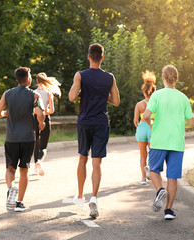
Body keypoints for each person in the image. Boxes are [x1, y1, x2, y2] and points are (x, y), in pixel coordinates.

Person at [68, 43, 120, 218]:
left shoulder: (80, 75)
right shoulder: (110, 78)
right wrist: (104, 95)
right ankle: (95, 198)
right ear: (102, 58)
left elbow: (72, 96)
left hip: (85, 122)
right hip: (101, 122)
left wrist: (82, 90)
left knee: (83, 157)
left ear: (89, 56)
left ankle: (81, 195)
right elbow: (116, 101)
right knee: (96, 162)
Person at [143, 65, 194, 220]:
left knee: (153, 170)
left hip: (159, 140)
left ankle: (159, 190)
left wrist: (152, 124)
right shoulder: (183, 98)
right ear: (176, 79)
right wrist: (180, 123)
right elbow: (192, 123)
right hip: (177, 143)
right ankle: (169, 210)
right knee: (172, 177)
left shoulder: (157, 95)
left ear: (163, 78)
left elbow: (146, 116)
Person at [0, 67, 45, 212]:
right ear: (28, 79)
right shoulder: (34, 95)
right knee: (24, 170)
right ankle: (19, 202)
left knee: (10, 168)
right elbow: (40, 114)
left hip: (11, 138)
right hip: (28, 138)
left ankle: (10, 189)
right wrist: (41, 124)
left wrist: (6, 113)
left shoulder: (7, 94)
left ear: (17, 79)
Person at [33, 72, 61, 176]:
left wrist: (38, 111)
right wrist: (44, 111)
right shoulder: (48, 93)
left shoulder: (33, 92)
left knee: (36, 144)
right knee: (43, 146)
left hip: (34, 119)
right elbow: (52, 110)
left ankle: (36, 166)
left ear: (36, 81)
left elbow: (33, 110)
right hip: (45, 119)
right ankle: (39, 161)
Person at [133, 70, 157, 185]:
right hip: (152, 128)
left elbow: (135, 121)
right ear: (154, 92)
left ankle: (143, 178)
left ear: (144, 92)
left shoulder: (139, 105)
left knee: (143, 154)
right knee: (152, 153)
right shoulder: (156, 104)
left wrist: (139, 126)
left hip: (142, 128)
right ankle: (150, 172)